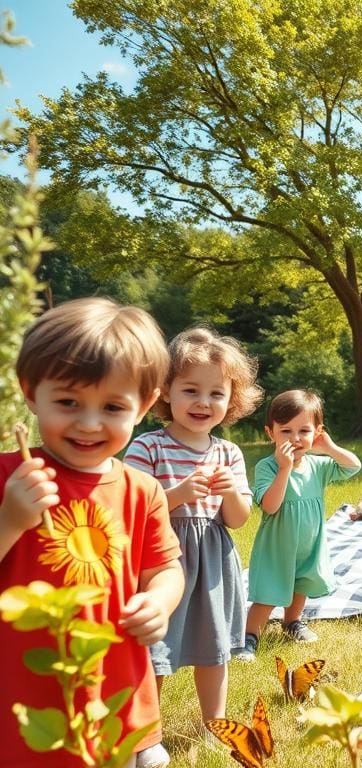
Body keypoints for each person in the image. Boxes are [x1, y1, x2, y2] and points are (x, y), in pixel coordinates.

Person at [0, 297, 184, 768]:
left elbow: (165, 569)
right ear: (29, 390)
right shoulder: (9, 477)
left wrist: (159, 602)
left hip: (114, 696)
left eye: (112, 406)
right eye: (67, 402)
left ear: (143, 406)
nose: (88, 423)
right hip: (22, 701)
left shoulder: (142, 490)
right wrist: (11, 520)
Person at [123, 327, 262, 764]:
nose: (204, 403)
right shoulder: (149, 446)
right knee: (156, 647)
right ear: (165, 391)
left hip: (214, 559)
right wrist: (178, 493)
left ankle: (213, 724)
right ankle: (147, 732)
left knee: (214, 643)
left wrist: (231, 495)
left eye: (216, 393)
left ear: (232, 399)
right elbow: (129, 512)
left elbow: (238, 521)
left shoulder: (229, 453)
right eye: (191, 390)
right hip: (162, 560)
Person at [235, 390, 361, 661]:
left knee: (300, 585)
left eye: (304, 430)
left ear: (317, 432)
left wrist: (329, 448)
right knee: (268, 593)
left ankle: (291, 622)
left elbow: (353, 466)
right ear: (271, 433)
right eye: (285, 431)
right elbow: (270, 506)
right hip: (277, 547)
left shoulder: (318, 465)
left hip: (308, 544)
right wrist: (284, 469)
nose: (295, 438)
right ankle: (249, 637)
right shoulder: (267, 467)